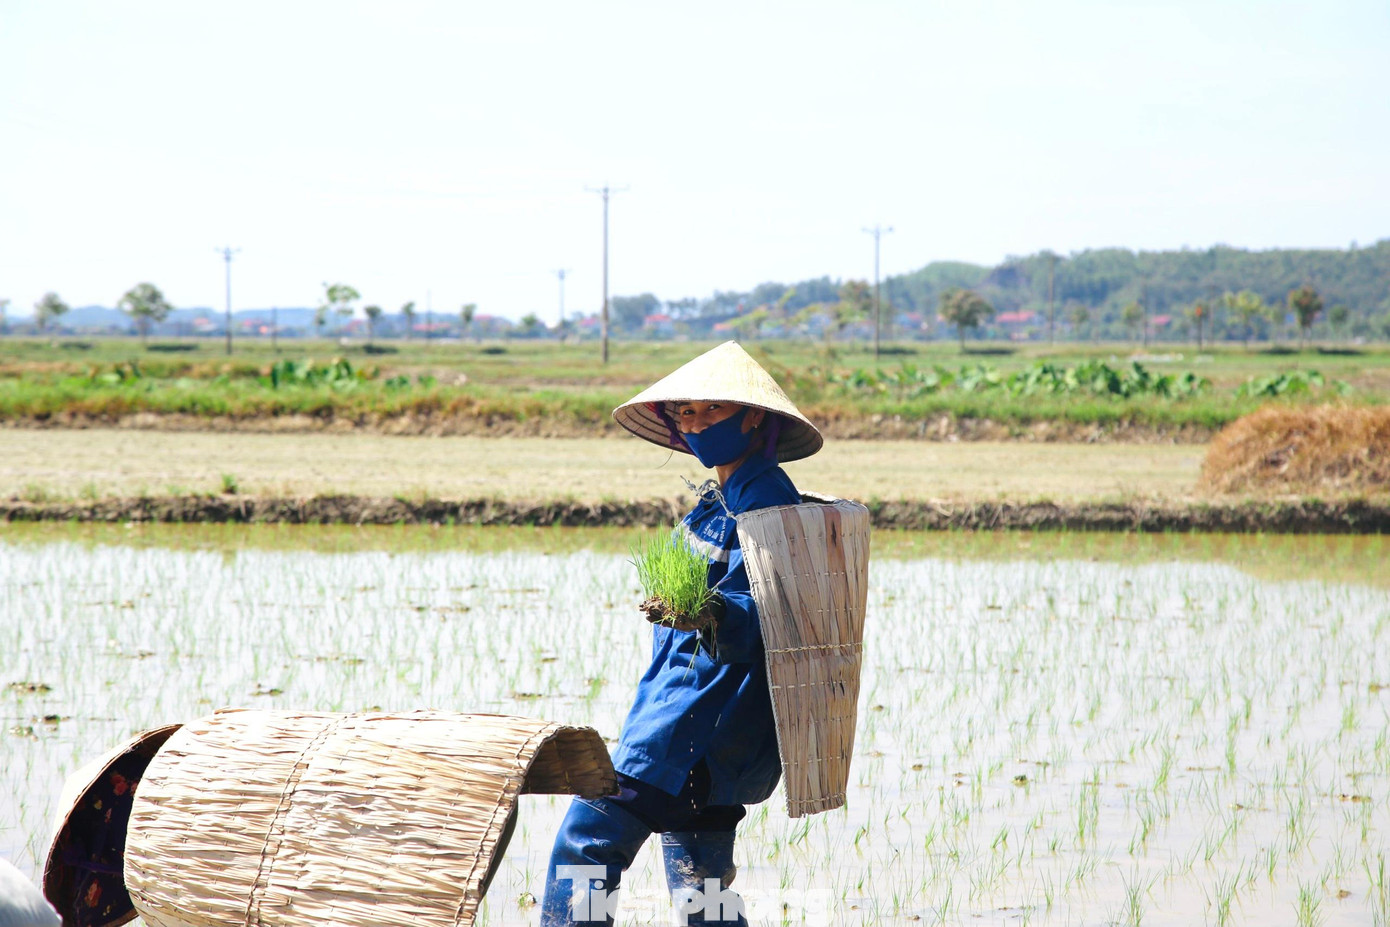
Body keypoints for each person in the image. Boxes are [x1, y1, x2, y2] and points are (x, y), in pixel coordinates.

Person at [541, 342, 823, 926]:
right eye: (686, 413)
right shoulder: (721, 496)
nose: (695, 424)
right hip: (711, 730)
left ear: (753, 417)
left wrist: (710, 614)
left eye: (711, 411)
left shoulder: (765, 499)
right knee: (704, 887)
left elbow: (772, 614)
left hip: (693, 723)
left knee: (586, 848)